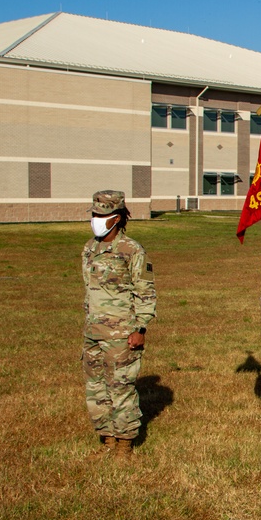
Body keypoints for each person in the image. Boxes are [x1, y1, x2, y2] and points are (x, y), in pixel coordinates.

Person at [81, 190, 156, 459]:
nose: (96, 220)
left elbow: (145, 292)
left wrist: (141, 329)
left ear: (117, 218)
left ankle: (125, 445)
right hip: (93, 332)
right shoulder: (90, 247)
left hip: (121, 334)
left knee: (121, 388)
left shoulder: (132, 250)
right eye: (94, 214)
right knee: (96, 389)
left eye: (102, 215)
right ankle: (107, 440)